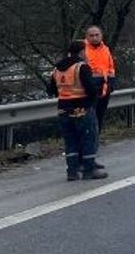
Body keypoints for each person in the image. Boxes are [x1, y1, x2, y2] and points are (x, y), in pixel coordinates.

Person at [46, 41, 108, 181]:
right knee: (88, 139)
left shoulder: (57, 69)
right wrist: (96, 95)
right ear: (81, 52)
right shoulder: (81, 67)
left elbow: (52, 89)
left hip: (63, 109)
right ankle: (89, 170)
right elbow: (90, 89)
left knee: (71, 141)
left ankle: (72, 172)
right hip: (82, 108)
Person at [84, 26, 117, 165]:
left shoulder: (105, 49)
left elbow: (110, 68)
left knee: (98, 120)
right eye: (91, 35)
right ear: (87, 37)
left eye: (97, 35)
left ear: (101, 35)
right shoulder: (83, 50)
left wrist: (111, 84)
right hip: (89, 91)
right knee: (90, 123)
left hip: (104, 90)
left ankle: (92, 153)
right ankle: (87, 155)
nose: (94, 37)